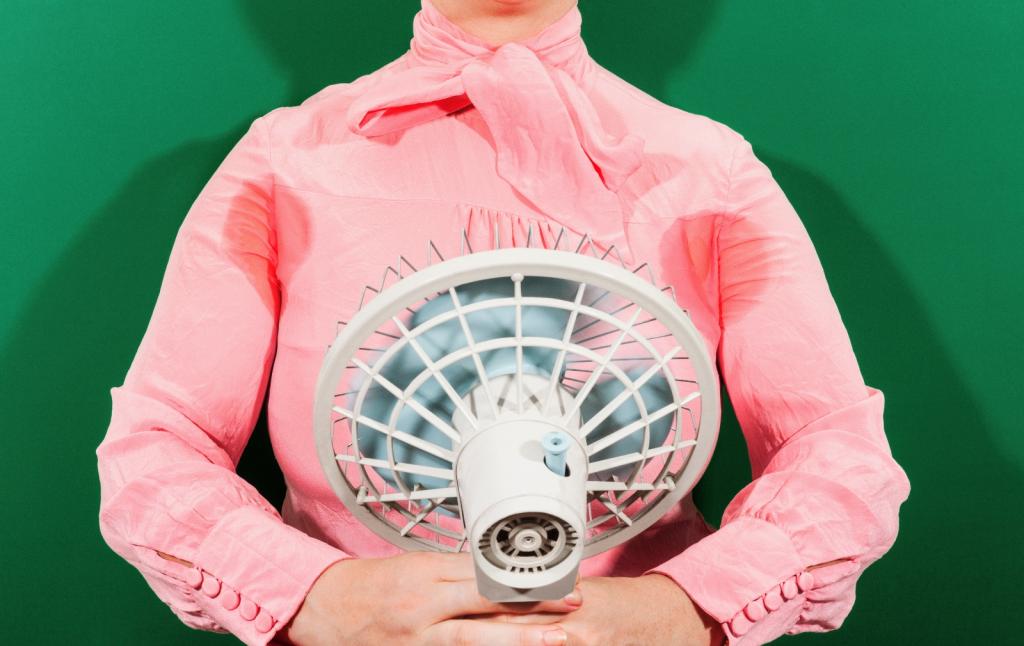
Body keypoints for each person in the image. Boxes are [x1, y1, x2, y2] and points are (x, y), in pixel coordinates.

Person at [95, 1, 911, 644]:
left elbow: (837, 455)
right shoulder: (286, 162)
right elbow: (158, 446)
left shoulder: (707, 170)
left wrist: (686, 608)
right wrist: (317, 595)